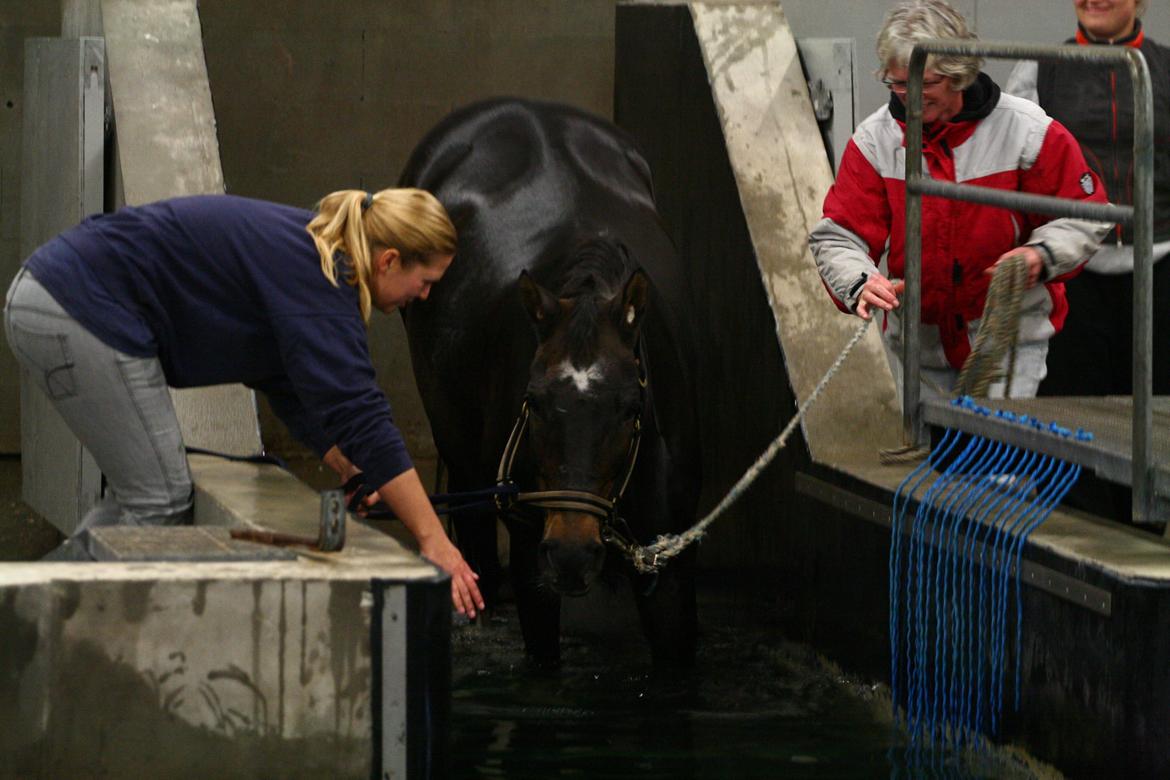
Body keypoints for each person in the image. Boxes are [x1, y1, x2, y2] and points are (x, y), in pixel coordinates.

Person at [3, 189, 484, 618]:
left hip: (57, 298)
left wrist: (343, 461)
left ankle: (31, 608)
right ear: (389, 261)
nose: (423, 297)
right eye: (426, 282)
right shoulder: (321, 279)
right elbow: (362, 414)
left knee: (146, 498)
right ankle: (24, 620)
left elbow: (285, 380)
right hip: (75, 309)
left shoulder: (308, 256)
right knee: (159, 502)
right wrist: (433, 539)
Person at [809, 0, 1112, 402]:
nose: (909, 95)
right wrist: (861, 282)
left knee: (1000, 462)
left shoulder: (1028, 131)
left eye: (925, 83)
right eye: (898, 83)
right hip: (920, 346)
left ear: (959, 75)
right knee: (931, 462)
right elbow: (838, 236)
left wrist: (1039, 256)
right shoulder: (874, 140)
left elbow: (1087, 215)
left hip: (1009, 342)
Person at [1005, 0, 1170, 397]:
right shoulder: (1039, 70)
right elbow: (1010, 170)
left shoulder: (1166, 67)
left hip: (1162, 273)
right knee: (1075, 414)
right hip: (1072, 276)